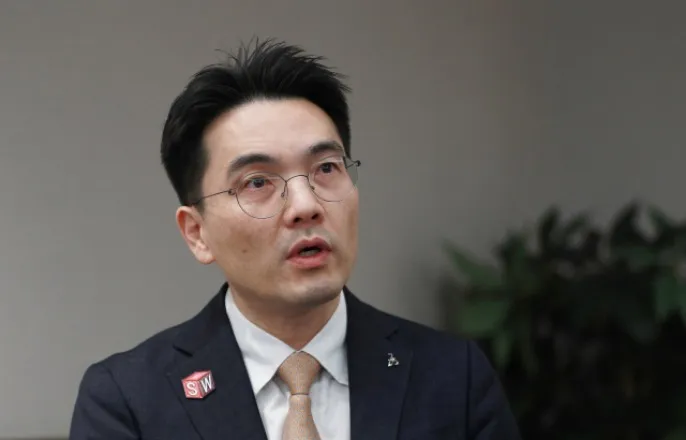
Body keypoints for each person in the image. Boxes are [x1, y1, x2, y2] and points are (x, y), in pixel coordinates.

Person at [69, 39, 521, 440]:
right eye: (257, 182)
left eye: (326, 168)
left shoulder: (453, 377)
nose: (306, 205)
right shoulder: (128, 400)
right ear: (197, 233)